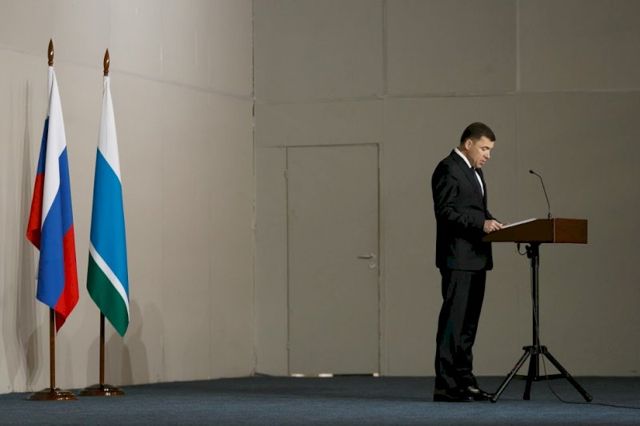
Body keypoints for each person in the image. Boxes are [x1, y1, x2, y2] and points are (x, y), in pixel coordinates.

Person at [431, 122, 503, 402]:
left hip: (476, 258)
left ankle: (465, 382)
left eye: (490, 150)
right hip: (457, 258)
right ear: (468, 143)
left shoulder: (475, 172)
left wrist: (495, 223)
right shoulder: (447, 168)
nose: (488, 155)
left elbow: (476, 210)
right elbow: (445, 212)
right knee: (454, 324)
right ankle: (446, 386)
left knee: (468, 327)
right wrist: (481, 224)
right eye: (484, 148)